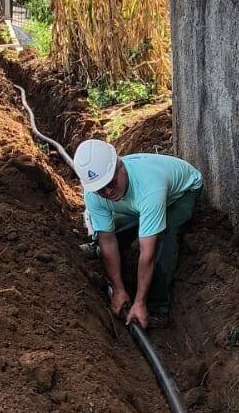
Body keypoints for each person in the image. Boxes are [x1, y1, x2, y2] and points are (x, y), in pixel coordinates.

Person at [74, 139, 202, 329]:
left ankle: (158, 307)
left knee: (164, 240)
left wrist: (139, 302)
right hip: (141, 203)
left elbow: (147, 254)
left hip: (181, 193)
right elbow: (107, 240)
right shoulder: (93, 194)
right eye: (101, 189)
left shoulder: (150, 187)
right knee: (111, 233)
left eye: (111, 182)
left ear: (121, 167)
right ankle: (99, 252)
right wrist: (118, 289)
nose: (108, 191)